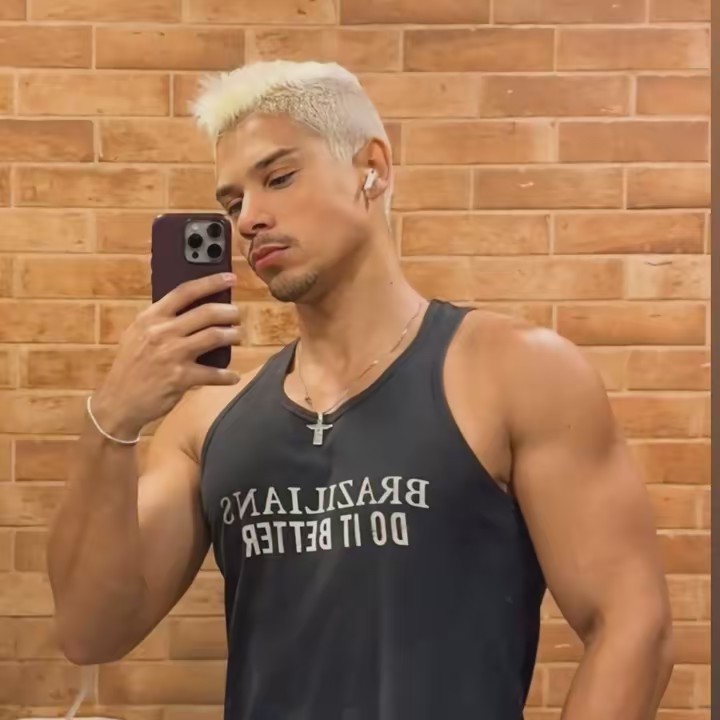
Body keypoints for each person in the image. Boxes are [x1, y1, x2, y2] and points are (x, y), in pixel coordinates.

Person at [47, 60, 674, 719]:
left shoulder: (514, 372)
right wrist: (112, 420)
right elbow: (90, 632)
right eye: (232, 204)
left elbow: (634, 628)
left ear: (370, 168)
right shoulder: (209, 421)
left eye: (278, 178)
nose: (250, 219)